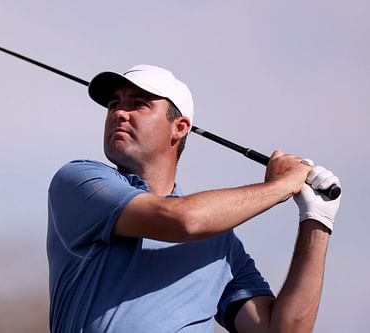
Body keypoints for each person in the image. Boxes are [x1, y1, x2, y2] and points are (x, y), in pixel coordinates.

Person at [46, 64, 341, 333]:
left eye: (138, 104)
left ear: (180, 127)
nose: (119, 113)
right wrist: (281, 185)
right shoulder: (80, 182)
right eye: (113, 104)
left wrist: (317, 221)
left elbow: (283, 330)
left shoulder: (220, 243)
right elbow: (183, 219)